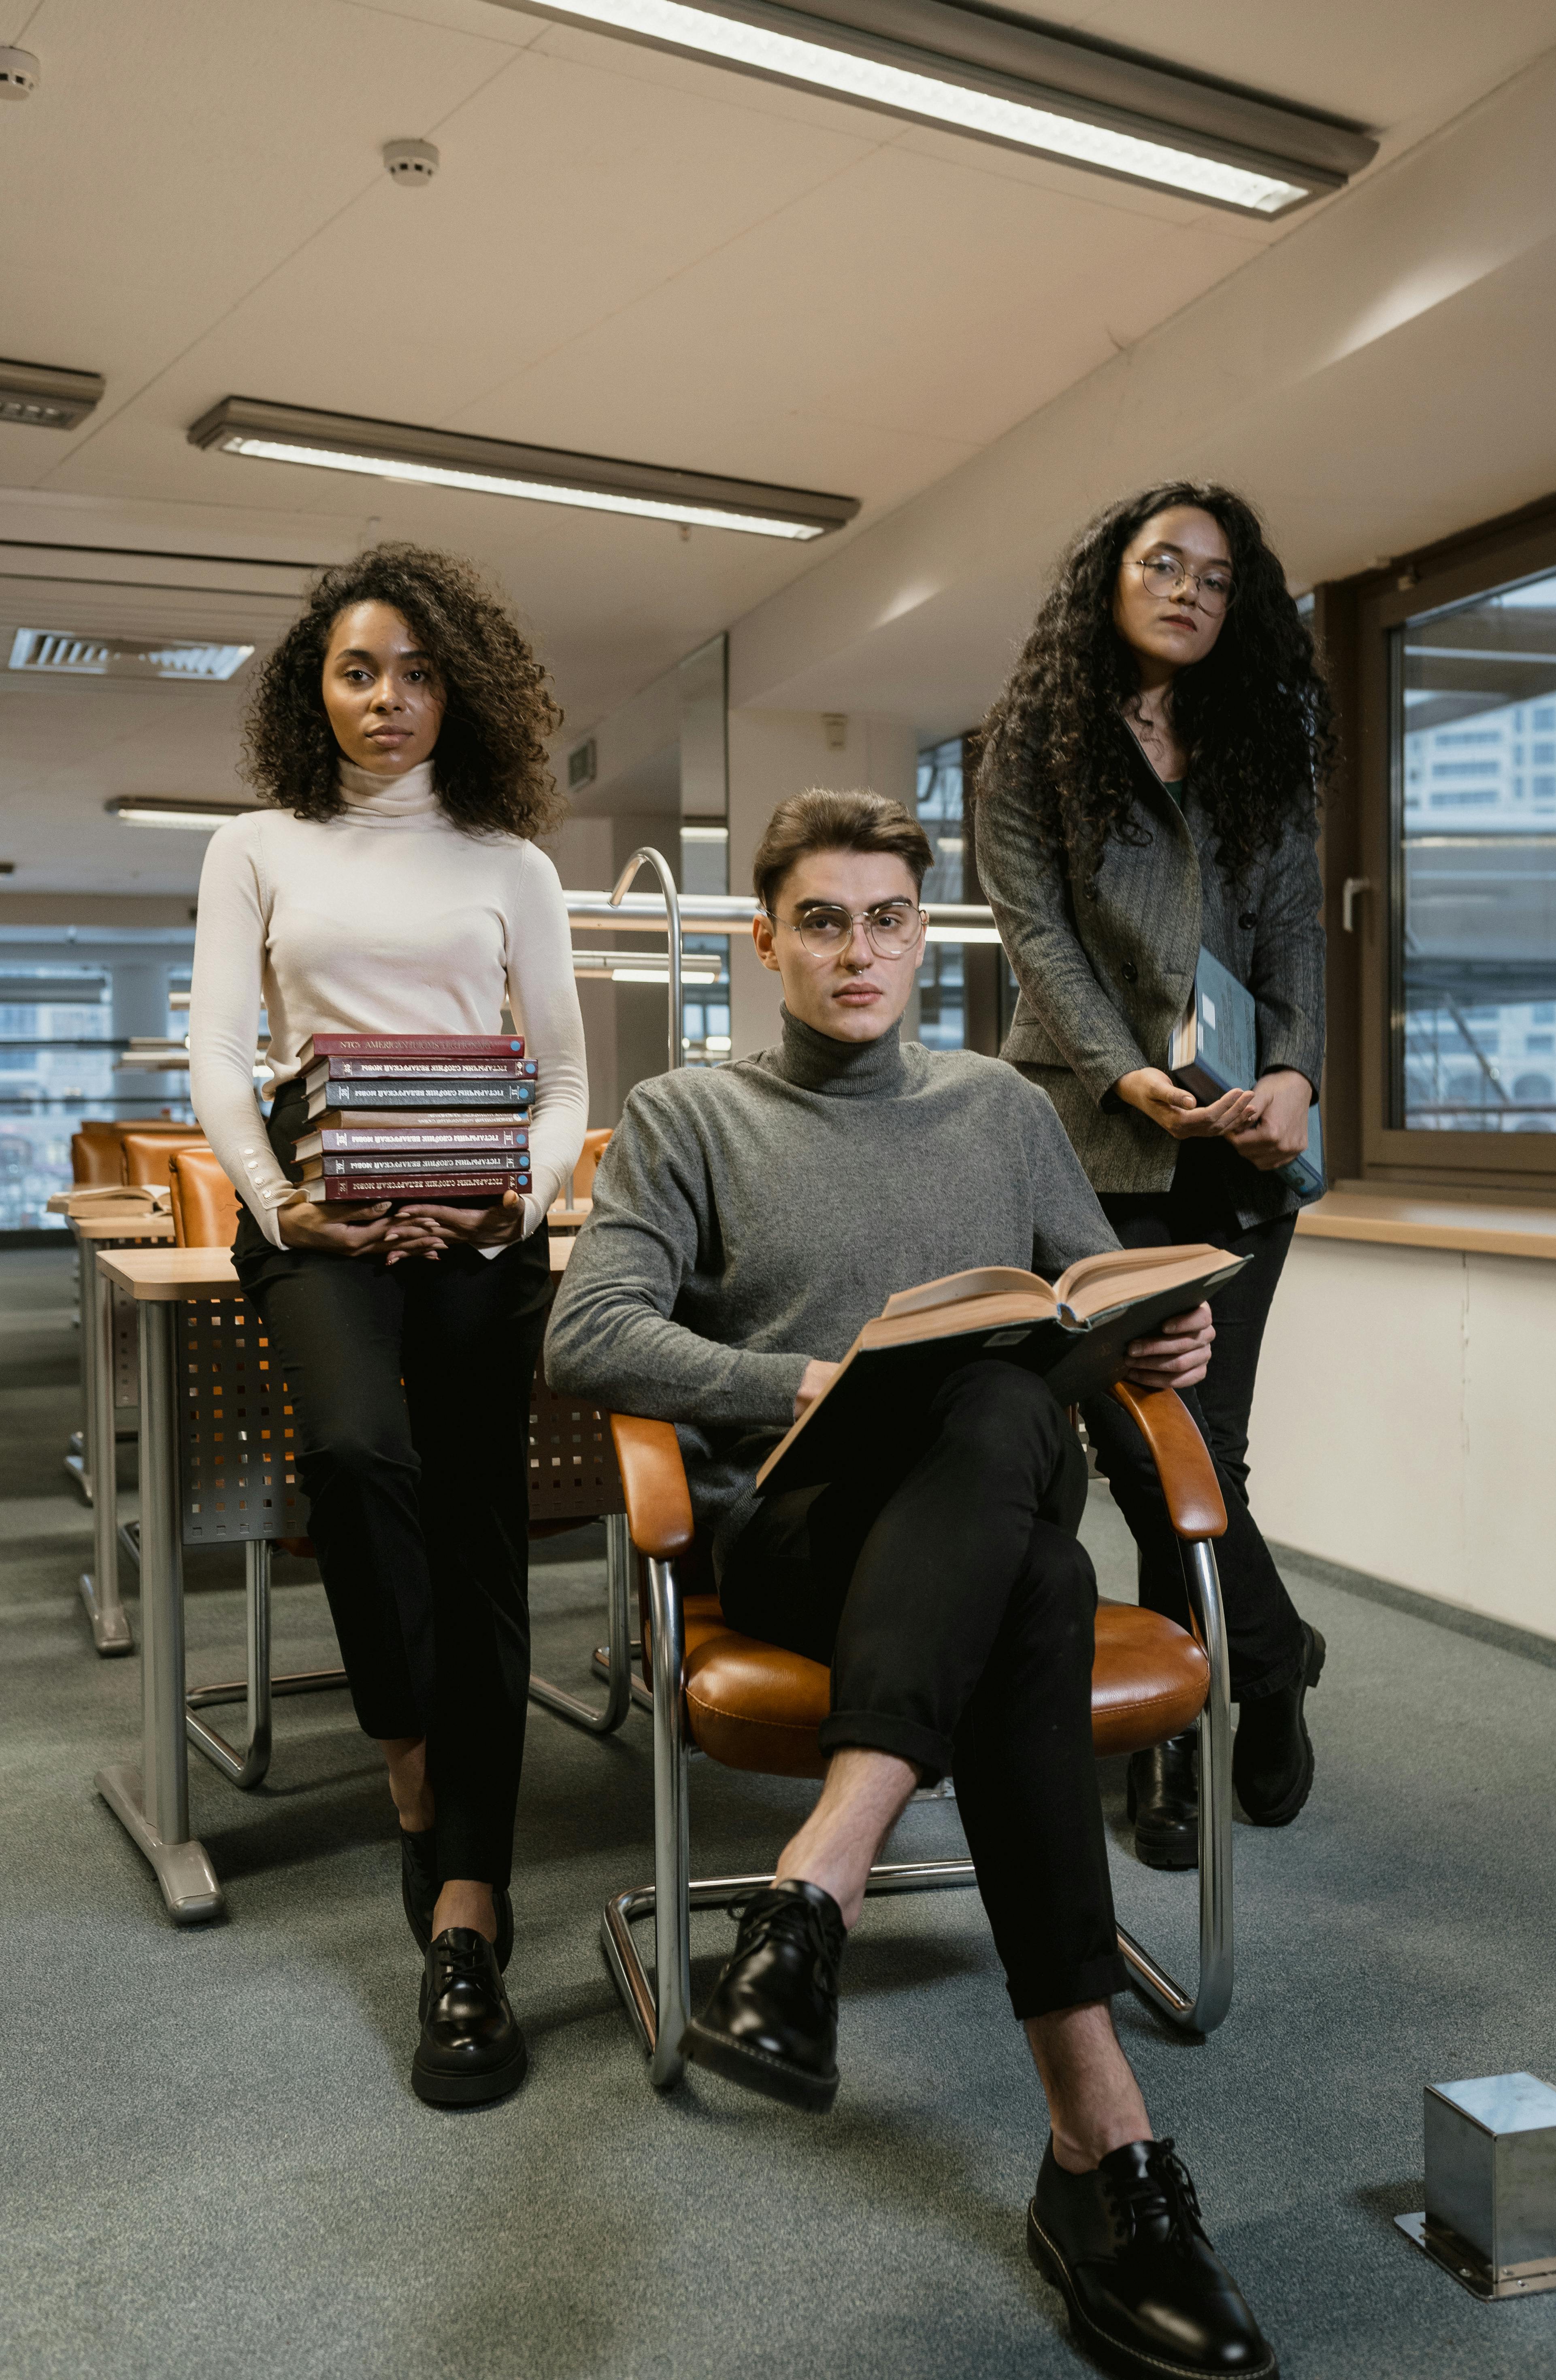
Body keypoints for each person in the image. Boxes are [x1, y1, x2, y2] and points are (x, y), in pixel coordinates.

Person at [546, 788, 1277, 2380]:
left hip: (980, 1524)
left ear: (919, 937)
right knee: (1026, 1542)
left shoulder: (1002, 1113)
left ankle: (824, 1896)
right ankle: (1101, 2179)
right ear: (766, 943)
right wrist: (798, 1376)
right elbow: (586, 1333)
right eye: (820, 920)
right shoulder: (687, 1114)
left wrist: (1159, 1333)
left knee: (1013, 1423)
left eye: (887, 918)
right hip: (798, 1539)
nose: (856, 950)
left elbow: (1083, 1296)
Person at [189, 544, 588, 2107]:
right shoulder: (256, 845)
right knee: (360, 1455)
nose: (390, 700)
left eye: (420, 673)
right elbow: (225, 1052)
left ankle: (471, 1916)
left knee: (486, 1524)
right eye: (361, 672)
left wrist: (524, 1200)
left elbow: (559, 1082)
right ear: (318, 687)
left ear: (461, 690)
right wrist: (278, 1200)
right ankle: (409, 1754)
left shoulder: (513, 865)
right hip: (322, 1220)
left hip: (480, 1222)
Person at [974, 482, 1330, 1874]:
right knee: (1136, 1443)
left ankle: (1207, 1703)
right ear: (1109, 580)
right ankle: (1264, 1656)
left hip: (1241, 1146)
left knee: (1209, 1446)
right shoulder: (1034, 748)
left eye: (1218, 578)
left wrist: (1295, 1082)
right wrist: (1128, 1074)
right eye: (1161, 563)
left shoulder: (1257, 749)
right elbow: (1039, 940)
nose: (1189, 589)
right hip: (1093, 1137)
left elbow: (1297, 936)